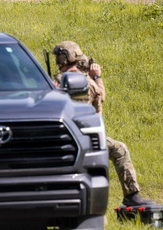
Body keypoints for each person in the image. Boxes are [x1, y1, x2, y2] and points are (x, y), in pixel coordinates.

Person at [52, 41, 155, 207]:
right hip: (84, 139)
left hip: (59, 138)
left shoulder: (53, 84)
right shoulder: (86, 83)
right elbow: (99, 108)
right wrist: (97, 77)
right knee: (119, 149)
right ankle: (132, 195)